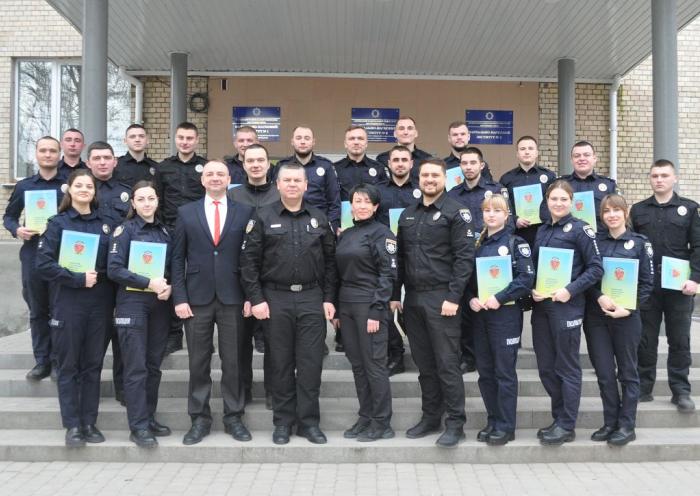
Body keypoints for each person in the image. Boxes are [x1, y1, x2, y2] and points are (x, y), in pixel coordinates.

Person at [240, 163, 337, 445]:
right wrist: (256, 299)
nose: (292, 184)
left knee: (310, 364)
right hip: (275, 299)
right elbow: (248, 263)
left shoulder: (318, 218)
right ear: (278, 185)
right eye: (287, 180)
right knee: (280, 363)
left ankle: (309, 423)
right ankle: (282, 422)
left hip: (311, 298)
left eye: (297, 180)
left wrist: (329, 298)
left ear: (306, 185)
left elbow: (331, 264)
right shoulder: (262, 217)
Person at [390, 158, 476, 448]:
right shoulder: (408, 214)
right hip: (413, 299)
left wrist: (453, 297)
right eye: (425, 175)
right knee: (425, 365)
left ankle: (455, 423)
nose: (429, 179)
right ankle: (430, 417)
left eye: (434, 175)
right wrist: (395, 294)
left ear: (445, 179)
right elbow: (400, 259)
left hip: (443, 299)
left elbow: (464, 259)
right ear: (419, 178)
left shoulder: (457, 212)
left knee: (447, 364)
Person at [171, 160, 254, 445]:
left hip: (234, 297)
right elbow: (177, 259)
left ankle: (234, 417)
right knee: (198, 362)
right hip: (196, 299)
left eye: (221, 174)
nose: (215, 178)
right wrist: (179, 297)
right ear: (202, 179)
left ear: (229, 179)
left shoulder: (245, 212)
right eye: (210, 174)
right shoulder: (186, 212)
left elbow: (251, 258)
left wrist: (250, 296)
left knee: (234, 361)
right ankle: (199, 419)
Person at [36, 169, 114, 448]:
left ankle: (89, 422)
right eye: (78, 185)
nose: (84, 189)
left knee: (93, 365)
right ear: (69, 190)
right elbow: (43, 265)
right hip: (68, 303)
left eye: (89, 186)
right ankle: (72, 425)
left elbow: (114, 264)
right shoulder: (57, 224)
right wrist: (77, 279)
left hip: (100, 304)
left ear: (94, 191)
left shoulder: (106, 224)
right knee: (68, 366)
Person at [531, 180, 603, 445]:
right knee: (546, 367)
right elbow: (537, 267)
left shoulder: (582, 230)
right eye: (554, 199)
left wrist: (570, 290)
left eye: (564, 199)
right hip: (542, 307)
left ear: (572, 202)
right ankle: (558, 417)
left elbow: (596, 268)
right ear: (546, 201)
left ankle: (566, 424)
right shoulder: (542, 230)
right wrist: (534, 289)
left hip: (567, 307)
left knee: (567, 366)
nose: (558, 203)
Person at [630, 159, 700, 413]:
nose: (659, 180)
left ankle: (680, 390)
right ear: (650, 179)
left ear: (675, 178)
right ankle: (643, 388)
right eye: (655, 176)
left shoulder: (690, 209)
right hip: (648, 286)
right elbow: (631, 246)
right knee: (645, 339)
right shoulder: (638, 210)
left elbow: (698, 246)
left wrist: (695, 278)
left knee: (679, 339)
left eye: (664, 175)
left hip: (679, 287)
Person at [584, 194, 654, 446]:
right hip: (597, 318)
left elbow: (647, 283)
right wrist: (598, 296)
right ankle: (610, 422)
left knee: (627, 372)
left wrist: (630, 308)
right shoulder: (595, 243)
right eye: (606, 211)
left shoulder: (639, 243)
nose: (611, 215)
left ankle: (626, 425)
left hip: (627, 318)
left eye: (616, 210)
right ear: (601, 216)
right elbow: (587, 277)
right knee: (604, 373)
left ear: (625, 213)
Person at [107, 181, 173, 448]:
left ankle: (149, 417)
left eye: (151, 198)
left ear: (157, 201)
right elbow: (114, 269)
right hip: (132, 303)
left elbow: (171, 268)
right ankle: (138, 426)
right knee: (135, 367)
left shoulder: (165, 232)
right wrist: (148, 283)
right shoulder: (124, 231)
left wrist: (169, 287)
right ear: (133, 203)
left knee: (153, 366)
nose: (147, 203)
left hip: (159, 305)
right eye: (141, 199)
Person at [467, 194, 534, 446]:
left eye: (497, 211)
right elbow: (467, 279)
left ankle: (506, 426)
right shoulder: (477, 245)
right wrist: (471, 299)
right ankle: (493, 420)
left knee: (504, 372)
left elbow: (526, 279)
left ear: (507, 216)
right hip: (481, 316)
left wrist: (500, 297)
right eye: (487, 210)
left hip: (505, 315)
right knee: (485, 373)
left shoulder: (516, 243)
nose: (491, 214)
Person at [335, 184, 396, 442]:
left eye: (366, 201)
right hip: (347, 305)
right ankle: (366, 416)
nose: (361, 206)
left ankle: (382, 422)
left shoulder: (382, 233)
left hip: (370, 305)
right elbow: (337, 273)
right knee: (358, 366)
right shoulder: (346, 234)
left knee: (374, 366)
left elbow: (387, 274)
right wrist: (337, 310)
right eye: (356, 201)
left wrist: (377, 310)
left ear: (375, 206)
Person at [3, 136, 65, 380]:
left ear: (59, 155)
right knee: (38, 310)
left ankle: (59, 361)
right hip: (33, 255)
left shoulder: (68, 184)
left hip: (61, 256)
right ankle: (42, 361)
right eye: (43, 150)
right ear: (36, 154)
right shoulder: (24, 186)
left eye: (52, 151)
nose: (48, 154)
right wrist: (17, 229)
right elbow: (9, 217)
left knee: (60, 311)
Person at [448, 146, 511, 374]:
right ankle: (469, 356)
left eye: (473, 163)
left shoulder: (496, 190)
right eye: (464, 163)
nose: (469, 167)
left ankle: (493, 355)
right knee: (467, 307)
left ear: (481, 165)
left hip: (491, 255)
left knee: (492, 305)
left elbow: (509, 221)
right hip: (463, 256)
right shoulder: (453, 194)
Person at [228, 143, 280, 408]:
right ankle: (243, 391)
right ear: (243, 164)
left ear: (269, 164)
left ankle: (273, 391)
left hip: (273, 278)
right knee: (239, 343)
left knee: (274, 343)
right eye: (251, 160)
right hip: (237, 279)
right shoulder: (232, 196)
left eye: (261, 160)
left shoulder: (280, 193)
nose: (256, 165)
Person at [154, 121, 208, 354]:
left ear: (197, 140)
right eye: (181, 138)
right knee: (172, 279)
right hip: (171, 230)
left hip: (200, 231)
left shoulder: (206, 166)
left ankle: (204, 336)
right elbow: (158, 199)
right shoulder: (163, 167)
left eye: (189, 138)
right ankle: (174, 335)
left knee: (200, 279)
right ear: (175, 139)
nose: (185, 142)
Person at [85, 141, 131, 406]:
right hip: (93, 275)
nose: (102, 162)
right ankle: (89, 389)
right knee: (95, 335)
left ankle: (123, 388)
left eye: (107, 157)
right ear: (88, 162)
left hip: (122, 274)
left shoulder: (126, 193)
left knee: (123, 333)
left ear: (115, 161)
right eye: (97, 158)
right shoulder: (82, 190)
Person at [376, 145, 423, 375]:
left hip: (416, 255)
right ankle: (395, 354)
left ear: (412, 164)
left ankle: (421, 353)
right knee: (387, 306)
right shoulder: (378, 191)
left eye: (405, 159)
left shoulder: (421, 190)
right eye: (396, 160)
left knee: (414, 307)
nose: (400, 163)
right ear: (389, 163)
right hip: (385, 257)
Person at [275, 126, 341, 232]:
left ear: (313, 142)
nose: (302, 142)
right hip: (287, 225)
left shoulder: (326, 166)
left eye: (307, 138)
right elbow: (275, 198)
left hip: (319, 227)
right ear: (292, 141)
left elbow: (334, 203)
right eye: (298, 138)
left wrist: (330, 229)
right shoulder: (282, 166)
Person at [500, 136, 557, 247]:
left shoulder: (550, 176)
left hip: (544, 232)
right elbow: (503, 205)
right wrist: (514, 219)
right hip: (516, 233)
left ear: (536, 153)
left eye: (530, 148)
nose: (527, 152)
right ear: (517, 154)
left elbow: (554, 202)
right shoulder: (506, 179)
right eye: (523, 149)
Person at [560, 140, 618, 231]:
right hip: (567, 236)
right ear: (571, 160)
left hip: (600, 237)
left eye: (586, 155)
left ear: (594, 158)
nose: (581, 159)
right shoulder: (560, 185)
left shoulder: (609, 185)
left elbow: (618, 213)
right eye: (577, 156)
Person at [335, 125, 388, 203]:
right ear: (345, 144)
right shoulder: (335, 168)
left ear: (366, 143)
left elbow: (385, 196)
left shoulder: (379, 168)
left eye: (360, 138)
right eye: (352, 138)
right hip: (344, 211)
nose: (356, 142)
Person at [375, 116, 433, 182]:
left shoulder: (427, 159)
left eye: (410, 128)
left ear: (416, 133)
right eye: (401, 128)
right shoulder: (382, 159)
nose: (405, 132)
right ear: (395, 134)